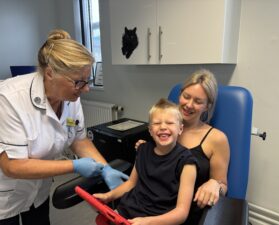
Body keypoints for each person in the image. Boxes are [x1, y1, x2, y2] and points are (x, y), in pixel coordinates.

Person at [0, 29, 128, 225]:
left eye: (87, 80)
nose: (86, 89)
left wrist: (105, 169)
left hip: (38, 191)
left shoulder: (70, 97)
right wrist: (74, 166)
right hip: (5, 194)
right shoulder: (9, 99)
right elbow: (13, 165)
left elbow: (79, 140)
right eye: (79, 82)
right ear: (50, 73)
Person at [136, 69, 230, 224]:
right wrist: (144, 149)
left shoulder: (217, 139)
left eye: (198, 101)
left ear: (207, 106)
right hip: (152, 208)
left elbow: (223, 186)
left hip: (184, 215)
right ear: (180, 95)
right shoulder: (164, 127)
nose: (188, 105)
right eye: (186, 96)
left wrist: (215, 183)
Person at [94, 98, 198, 225]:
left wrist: (148, 222)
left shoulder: (187, 162)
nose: (163, 127)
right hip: (126, 212)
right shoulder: (143, 150)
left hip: (158, 220)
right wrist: (108, 196)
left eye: (170, 123)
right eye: (157, 123)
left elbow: (181, 213)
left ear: (180, 129)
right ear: (150, 130)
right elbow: (131, 183)